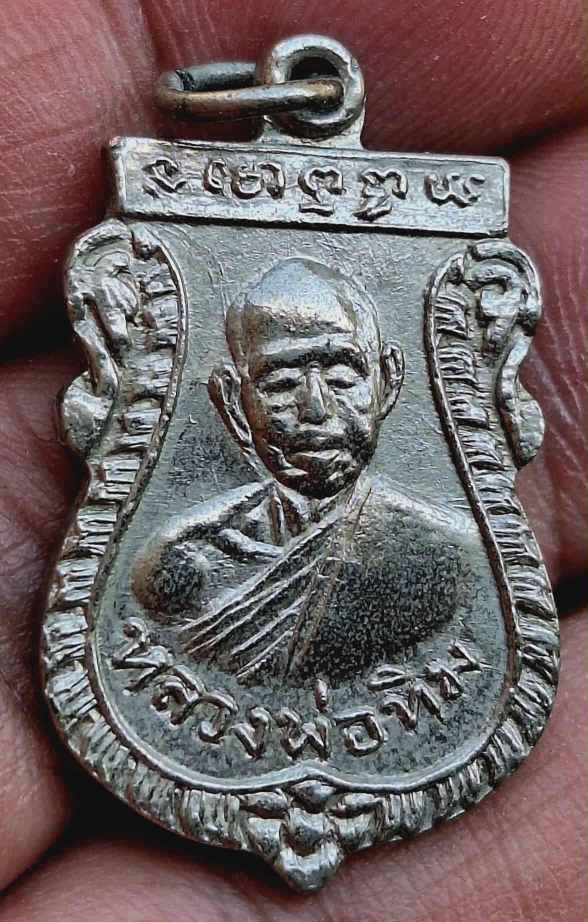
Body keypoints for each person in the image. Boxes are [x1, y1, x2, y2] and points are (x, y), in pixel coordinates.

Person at [133, 258, 477, 684]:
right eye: (280, 384)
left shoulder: (446, 553)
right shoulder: (185, 557)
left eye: (342, 377)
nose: (315, 408)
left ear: (387, 382)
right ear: (234, 403)